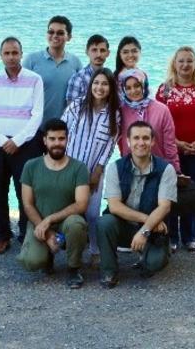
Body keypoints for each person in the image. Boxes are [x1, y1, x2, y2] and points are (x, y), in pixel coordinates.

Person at [0, 37, 44, 254]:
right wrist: (2, 141)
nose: (11, 57)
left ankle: (26, 234)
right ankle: (2, 236)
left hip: (25, 144)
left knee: (25, 191)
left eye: (15, 53)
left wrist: (17, 140)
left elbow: (36, 115)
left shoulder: (35, 80)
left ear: (21, 54)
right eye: (7, 53)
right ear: (1, 56)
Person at [98, 121, 176, 288]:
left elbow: (165, 206)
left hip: (153, 230)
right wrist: (147, 221)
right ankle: (109, 271)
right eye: (136, 138)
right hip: (130, 225)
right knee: (104, 222)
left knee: (154, 265)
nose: (141, 143)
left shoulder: (166, 169)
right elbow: (114, 206)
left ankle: (148, 257)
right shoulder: (115, 168)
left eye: (146, 138)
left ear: (153, 141)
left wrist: (144, 230)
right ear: (128, 141)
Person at [17, 119, 90, 289]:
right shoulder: (31, 166)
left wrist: (50, 219)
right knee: (31, 262)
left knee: (76, 225)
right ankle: (47, 255)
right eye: (52, 139)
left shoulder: (79, 168)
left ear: (67, 139)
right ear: (45, 140)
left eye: (61, 138)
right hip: (39, 221)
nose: (57, 143)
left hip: (66, 223)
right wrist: (47, 231)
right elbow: (27, 204)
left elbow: (81, 204)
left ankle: (74, 268)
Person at [156, 46, 195, 252]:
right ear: (174, 63)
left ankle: (189, 236)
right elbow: (159, 121)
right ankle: (171, 236)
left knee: (193, 191)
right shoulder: (165, 89)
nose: (185, 65)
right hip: (172, 149)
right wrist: (178, 143)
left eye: (189, 61)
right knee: (170, 191)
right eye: (181, 61)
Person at [62, 68, 120, 265]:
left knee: (93, 213)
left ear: (111, 88)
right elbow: (62, 135)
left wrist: (98, 171)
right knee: (70, 210)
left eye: (104, 84)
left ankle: (95, 251)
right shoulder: (76, 106)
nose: (99, 87)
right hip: (69, 169)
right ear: (90, 85)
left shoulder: (114, 114)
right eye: (96, 83)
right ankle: (70, 250)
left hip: (94, 170)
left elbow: (110, 145)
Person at [117, 69, 179, 172]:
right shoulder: (120, 111)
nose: (133, 91)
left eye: (137, 86)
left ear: (144, 85)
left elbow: (170, 145)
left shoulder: (162, 110)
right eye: (128, 88)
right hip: (130, 169)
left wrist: (175, 170)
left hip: (158, 169)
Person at [24, 15, 82, 123]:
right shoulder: (32, 60)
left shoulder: (75, 63)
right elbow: (22, 94)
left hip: (63, 129)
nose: (55, 36)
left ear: (69, 37)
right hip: (35, 127)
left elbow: (80, 98)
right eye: (51, 32)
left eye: (60, 33)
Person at [66, 34, 110, 106]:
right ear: (87, 52)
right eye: (94, 50)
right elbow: (71, 110)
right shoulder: (78, 78)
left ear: (108, 53)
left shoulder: (110, 77)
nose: (98, 54)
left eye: (102, 50)